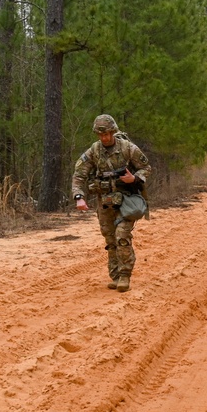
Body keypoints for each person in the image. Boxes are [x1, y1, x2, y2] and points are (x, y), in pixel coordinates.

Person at [71, 114, 152, 292]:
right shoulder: (94, 151)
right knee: (110, 239)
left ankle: (125, 275)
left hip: (126, 200)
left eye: (107, 134)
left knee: (122, 236)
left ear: (113, 132)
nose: (105, 138)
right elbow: (79, 175)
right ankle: (115, 276)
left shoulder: (127, 148)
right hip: (105, 202)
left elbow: (146, 167)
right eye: (101, 135)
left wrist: (135, 179)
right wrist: (78, 196)